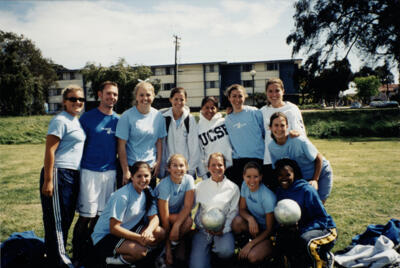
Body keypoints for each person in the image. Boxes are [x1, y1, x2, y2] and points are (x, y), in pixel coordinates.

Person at [72, 81, 119, 265]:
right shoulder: (87, 118)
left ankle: (92, 254)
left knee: (100, 219)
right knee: (86, 216)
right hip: (89, 172)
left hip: (110, 173)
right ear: (100, 95)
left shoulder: (118, 120)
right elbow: (77, 145)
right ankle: (76, 254)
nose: (112, 97)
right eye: (108, 93)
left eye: (114, 94)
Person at [39, 85, 86, 267]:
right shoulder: (60, 120)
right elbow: (50, 150)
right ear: (64, 102)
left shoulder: (75, 120)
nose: (77, 102)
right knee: (57, 221)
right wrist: (49, 180)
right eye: (73, 99)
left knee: (65, 218)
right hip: (59, 174)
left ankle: (54, 257)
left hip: (72, 175)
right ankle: (60, 259)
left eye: (80, 99)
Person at [90, 161, 165, 266]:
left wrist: (148, 231)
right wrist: (138, 238)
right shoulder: (122, 196)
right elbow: (114, 228)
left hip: (129, 229)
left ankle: (133, 259)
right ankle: (110, 261)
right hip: (106, 237)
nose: (143, 180)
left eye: (146, 176)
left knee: (159, 232)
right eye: (139, 176)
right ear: (132, 177)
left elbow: (155, 218)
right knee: (141, 251)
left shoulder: (148, 191)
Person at [274, 158, 337, 268]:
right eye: (280, 175)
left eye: (287, 175)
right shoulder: (280, 191)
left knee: (305, 241)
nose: (283, 178)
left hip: (324, 229)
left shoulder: (306, 190)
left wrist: (301, 230)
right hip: (300, 230)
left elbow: (322, 219)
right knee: (280, 238)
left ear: (295, 174)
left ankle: (324, 261)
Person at [268, 112, 333, 202]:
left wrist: (315, 180)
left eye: (282, 125)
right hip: (303, 178)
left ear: (287, 127)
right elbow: (277, 168)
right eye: (276, 125)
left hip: (320, 172)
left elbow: (318, 158)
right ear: (270, 127)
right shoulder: (271, 146)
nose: (279, 129)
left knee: (317, 206)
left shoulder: (298, 140)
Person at [189, 152, 240, 268]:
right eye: (213, 165)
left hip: (223, 230)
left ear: (225, 167)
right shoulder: (200, 187)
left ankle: (216, 256)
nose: (216, 168)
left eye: (220, 165)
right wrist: (198, 225)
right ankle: (203, 255)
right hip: (203, 230)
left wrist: (224, 228)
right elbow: (190, 207)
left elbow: (233, 212)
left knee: (226, 251)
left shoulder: (233, 188)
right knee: (197, 266)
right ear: (208, 167)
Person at [116, 81, 167, 188]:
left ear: (153, 96)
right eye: (141, 95)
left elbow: (159, 142)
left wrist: (158, 163)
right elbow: (121, 146)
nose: (145, 98)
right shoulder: (127, 116)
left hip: (149, 169)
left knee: (148, 202)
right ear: (136, 97)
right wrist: (125, 170)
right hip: (131, 168)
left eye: (148, 95)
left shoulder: (158, 116)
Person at [260, 78, 306, 189]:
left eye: (277, 90)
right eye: (270, 91)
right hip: (270, 160)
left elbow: (301, 134)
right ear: (266, 93)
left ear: (283, 91)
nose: (274, 94)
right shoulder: (262, 111)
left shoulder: (292, 109)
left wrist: (295, 133)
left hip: (290, 160)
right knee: (275, 192)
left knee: (293, 191)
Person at [231, 162, 276, 265]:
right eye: (248, 177)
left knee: (252, 257)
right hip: (255, 228)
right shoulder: (244, 185)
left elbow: (270, 229)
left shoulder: (267, 197)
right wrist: (250, 219)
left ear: (260, 177)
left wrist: (250, 245)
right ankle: (244, 246)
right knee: (237, 222)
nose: (251, 180)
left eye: (255, 177)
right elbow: (242, 209)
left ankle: (271, 253)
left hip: (269, 235)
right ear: (243, 176)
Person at [155, 154, 195, 266]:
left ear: (186, 168)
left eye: (181, 165)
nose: (178, 169)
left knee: (188, 222)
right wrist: (168, 249)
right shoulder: (164, 185)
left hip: (177, 216)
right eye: (174, 166)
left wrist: (177, 227)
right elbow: (165, 219)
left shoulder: (189, 179)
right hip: (160, 217)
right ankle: (165, 250)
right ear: (168, 168)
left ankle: (173, 245)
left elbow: (188, 207)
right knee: (181, 223)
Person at [224, 84, 265, 185]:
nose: (237, 99)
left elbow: (264, 133)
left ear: (245, 97)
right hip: (239, 160)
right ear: (229, 98)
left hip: (257, 158)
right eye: (234, 96)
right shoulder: (227, 119)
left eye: (240, 96)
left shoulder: (254, 112)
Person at [159, 87, 200, 178]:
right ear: (170, 100)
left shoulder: (190, 119)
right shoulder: (163, 118)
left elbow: (194, 147)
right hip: (168, 168)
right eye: (176, 99)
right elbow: (161, 144)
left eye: (182, 99)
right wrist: (163, 167)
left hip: (185, 168)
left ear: (186, 100)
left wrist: (190, 169)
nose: (179, 102)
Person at [197, 96, 233, 180]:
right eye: (206, 107)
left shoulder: (224, 121)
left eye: (212, 108)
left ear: (217, 109)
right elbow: (199, 152)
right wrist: (204, 173)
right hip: (211, 170)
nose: (209, 110)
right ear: (202, 108)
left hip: (229, 166)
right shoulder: (198, 127)